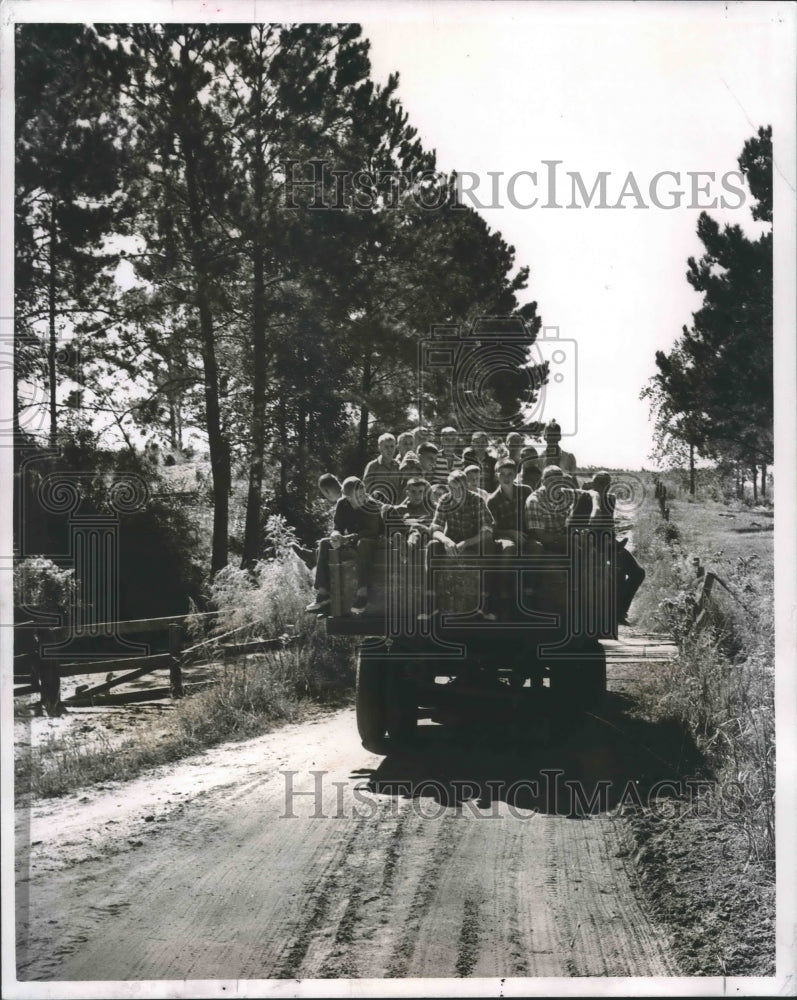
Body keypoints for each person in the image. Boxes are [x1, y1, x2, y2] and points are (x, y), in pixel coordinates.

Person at [420, 469, 496, 620]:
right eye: (452, 488)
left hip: (474, 540)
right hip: (452, 540)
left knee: (488, 546)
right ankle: (431, 604)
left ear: (466, 485)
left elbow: (487, 531)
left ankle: (487, 604)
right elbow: (435, 529)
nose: (456, 492)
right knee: (432, 546)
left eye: (459, 488)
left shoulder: (477, 500)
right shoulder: (445, 500)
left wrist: (467, 543)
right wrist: (446, 540)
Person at [306, 476, 383, 616]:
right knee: (324, 543)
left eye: (363, 493)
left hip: (373, 542)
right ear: (347, 497)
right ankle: (323, 595)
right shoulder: (342, 504)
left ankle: (362, 594)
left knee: (363, 543)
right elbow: (338, 527)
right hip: (352, 541)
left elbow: (371, 532)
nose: (362, 497)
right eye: (357, 496)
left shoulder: (371, 504)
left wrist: (345, 539)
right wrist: (335, 535)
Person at [590, 471, 645, 626]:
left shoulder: (610, 499)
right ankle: (615, 614)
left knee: (638, 573)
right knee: (617, 571)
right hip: (591, 544)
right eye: (599, 483)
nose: (603, 487)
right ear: (593, 484)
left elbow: (607, 526)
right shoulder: (587, 498)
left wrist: (612, 543)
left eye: (606, 483)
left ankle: (620, 610)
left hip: (609, 544)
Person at [525, 465, 583, 553]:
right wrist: (571, 538)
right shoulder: (535, 500)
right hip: (545, 543)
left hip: (564, 537)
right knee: (577, 545)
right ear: (543, 482)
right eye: (551, 480)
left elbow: (591, 494)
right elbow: (542, 537)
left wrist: (596, 509)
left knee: (588, 540)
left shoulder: (565, 493)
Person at [363, 432, 401, 504]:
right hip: (377, 507)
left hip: (395, 507)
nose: (389, 449)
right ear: (379, 448)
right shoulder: (373, 466)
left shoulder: (398, 466)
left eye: (392, 446)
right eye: (386, 447)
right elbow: (365, 489)